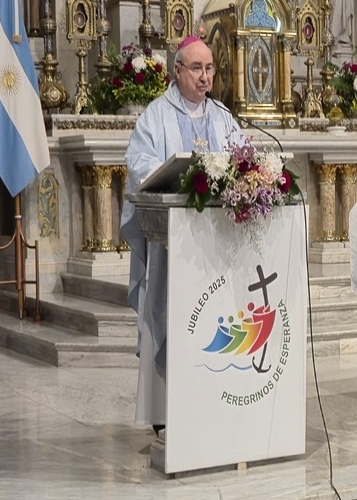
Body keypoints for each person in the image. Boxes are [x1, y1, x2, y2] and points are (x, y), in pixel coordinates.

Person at [121, 36, 245, 434]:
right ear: (177, 71)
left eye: (209, 69)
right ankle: (166, 413)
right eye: (196, 68)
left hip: (217, 245)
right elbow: (139, 165)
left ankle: (216, 401)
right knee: (170, 316)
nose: (205, 77)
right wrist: (176, 177)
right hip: (171, 244)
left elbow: (242, 159)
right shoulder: (155, 116)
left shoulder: (223, 116)